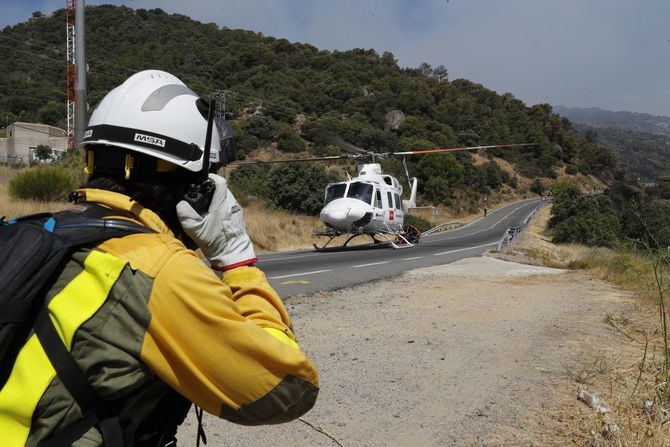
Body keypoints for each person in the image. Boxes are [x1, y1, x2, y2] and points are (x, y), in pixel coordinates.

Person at [0, 70, 319, 446]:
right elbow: (287, 389)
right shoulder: (159, 268)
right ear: (196, 186)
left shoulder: (39, 232)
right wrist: (236, 260)